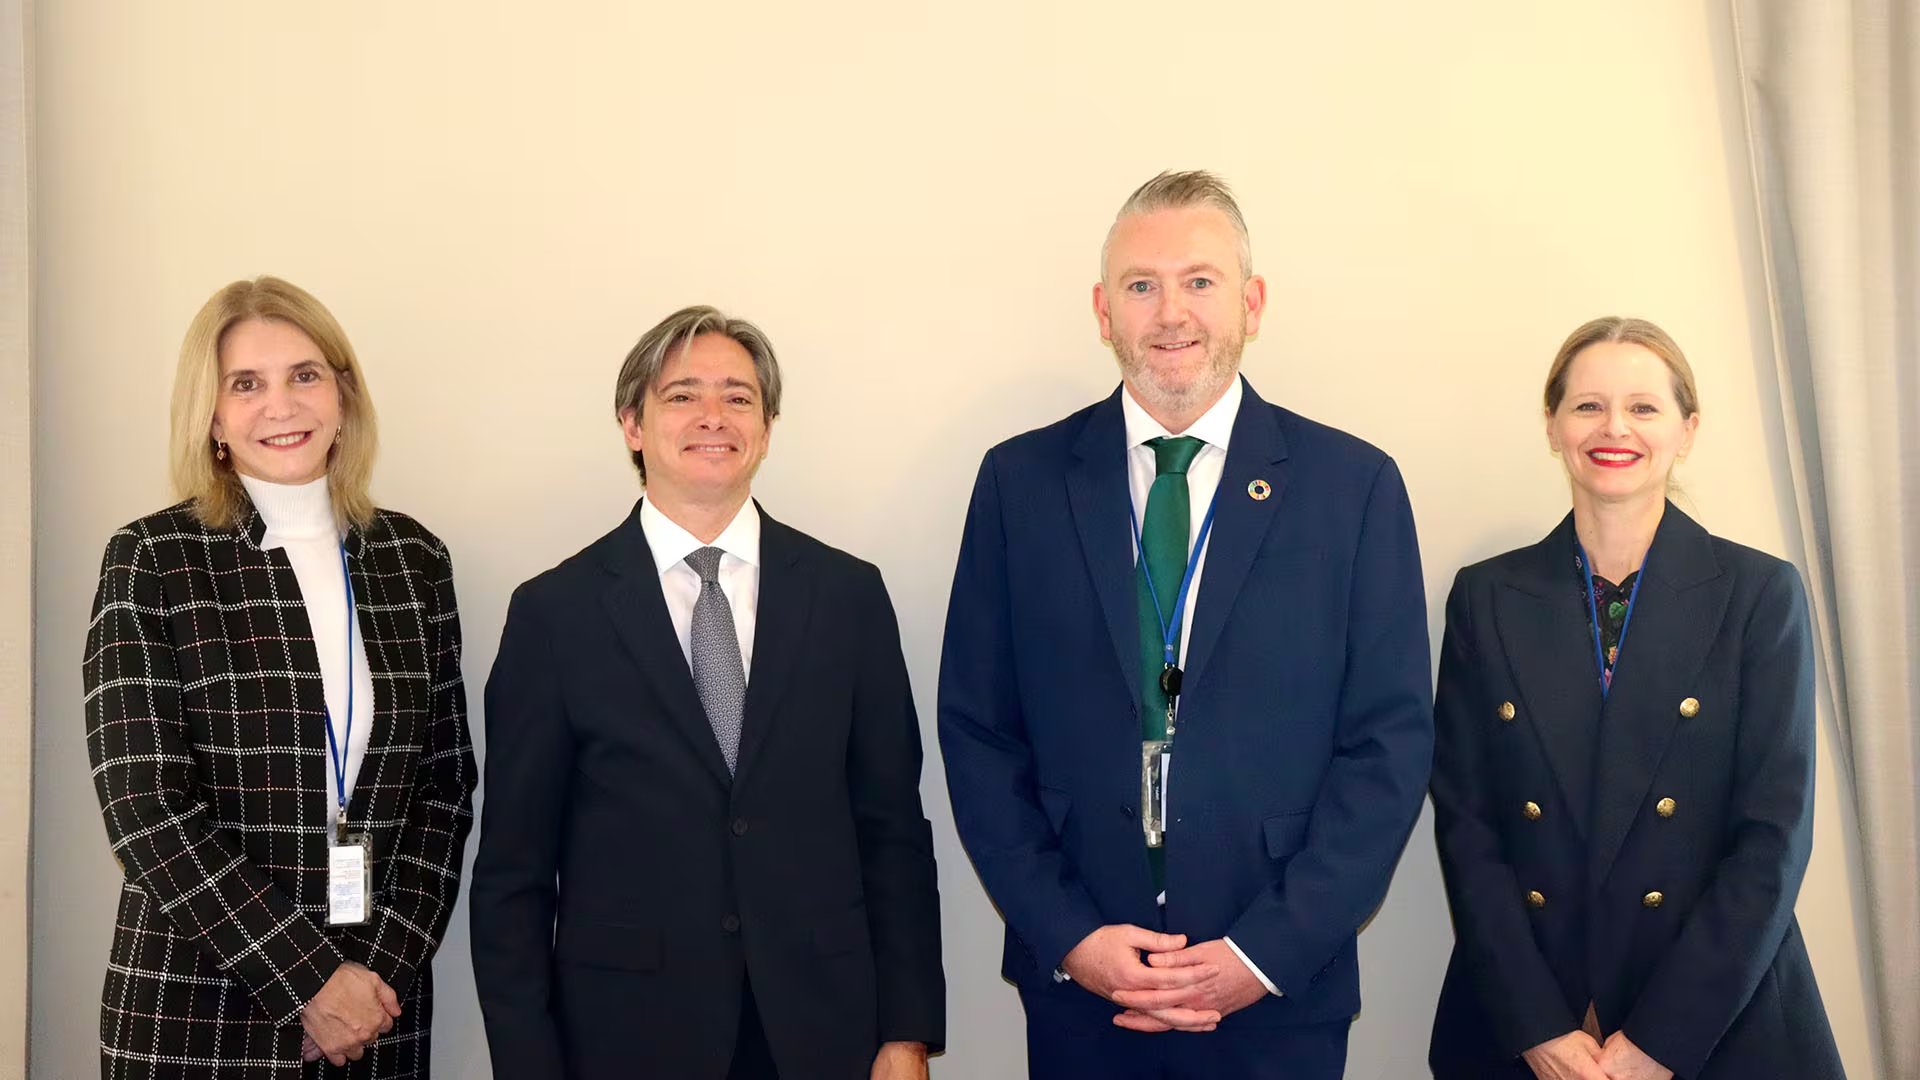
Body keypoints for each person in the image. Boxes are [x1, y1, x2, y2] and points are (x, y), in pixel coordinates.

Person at [937, 171, 1433, 1078]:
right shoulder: (1020, 483)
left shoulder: (1352, 488)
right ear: (1102, 310)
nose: (1171, 312)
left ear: (1252, 301)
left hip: (1278, 991)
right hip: (1085, 993)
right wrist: (1070, 935)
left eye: (1200, 281)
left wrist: (1262, 954)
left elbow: (1389, 746)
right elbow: (978, 733)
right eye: (1141, 285)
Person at [470, 305, 944, 1080]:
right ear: (632, 423)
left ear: (766, 423)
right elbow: (514, 875)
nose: (713, 416)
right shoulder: (555, 614)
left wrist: (907, 1031)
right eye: (682, 394)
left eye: (738, 395)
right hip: (626, 1037)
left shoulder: (848, 596)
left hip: (827, 1030)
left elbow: (891, 828)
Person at [1426, 317, 1846, 1080]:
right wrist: (1539, 1029)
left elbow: (1773, 839)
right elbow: (1468, 827)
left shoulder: (1759, 595)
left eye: (1644, 408)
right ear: (1552, 426)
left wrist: (1661, 1041)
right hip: (1531, 1024)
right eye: (1586, 406)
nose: (1613, 427)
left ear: (1687, 430)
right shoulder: (1486, 597)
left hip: (1717, 1024)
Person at [84, 276, 478, 1078]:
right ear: (214, 417)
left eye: (304, 374)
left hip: (377, 1010)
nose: (282, 404)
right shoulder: (153, 561)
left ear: (343, 394)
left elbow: (443, 790)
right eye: (246, 384)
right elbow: (145, 806)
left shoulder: (415, 561)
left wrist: (373, 979)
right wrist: (307, 981)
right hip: (198, 1003)